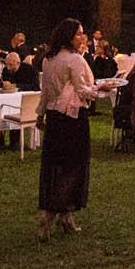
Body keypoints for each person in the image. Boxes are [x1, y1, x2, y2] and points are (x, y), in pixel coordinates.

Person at [37, 18, 101, 240]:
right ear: (68, 36)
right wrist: (103, 89)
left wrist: (40, 115)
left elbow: (45, 92)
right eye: (78, 34)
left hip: (54, 118)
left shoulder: (49, 59)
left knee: (55, 166)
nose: (82, 37)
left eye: (82, 33)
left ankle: (66, 216)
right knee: (74, 167)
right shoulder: (74, 60)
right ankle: (50, 215)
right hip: (73, 119)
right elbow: (83, 91)